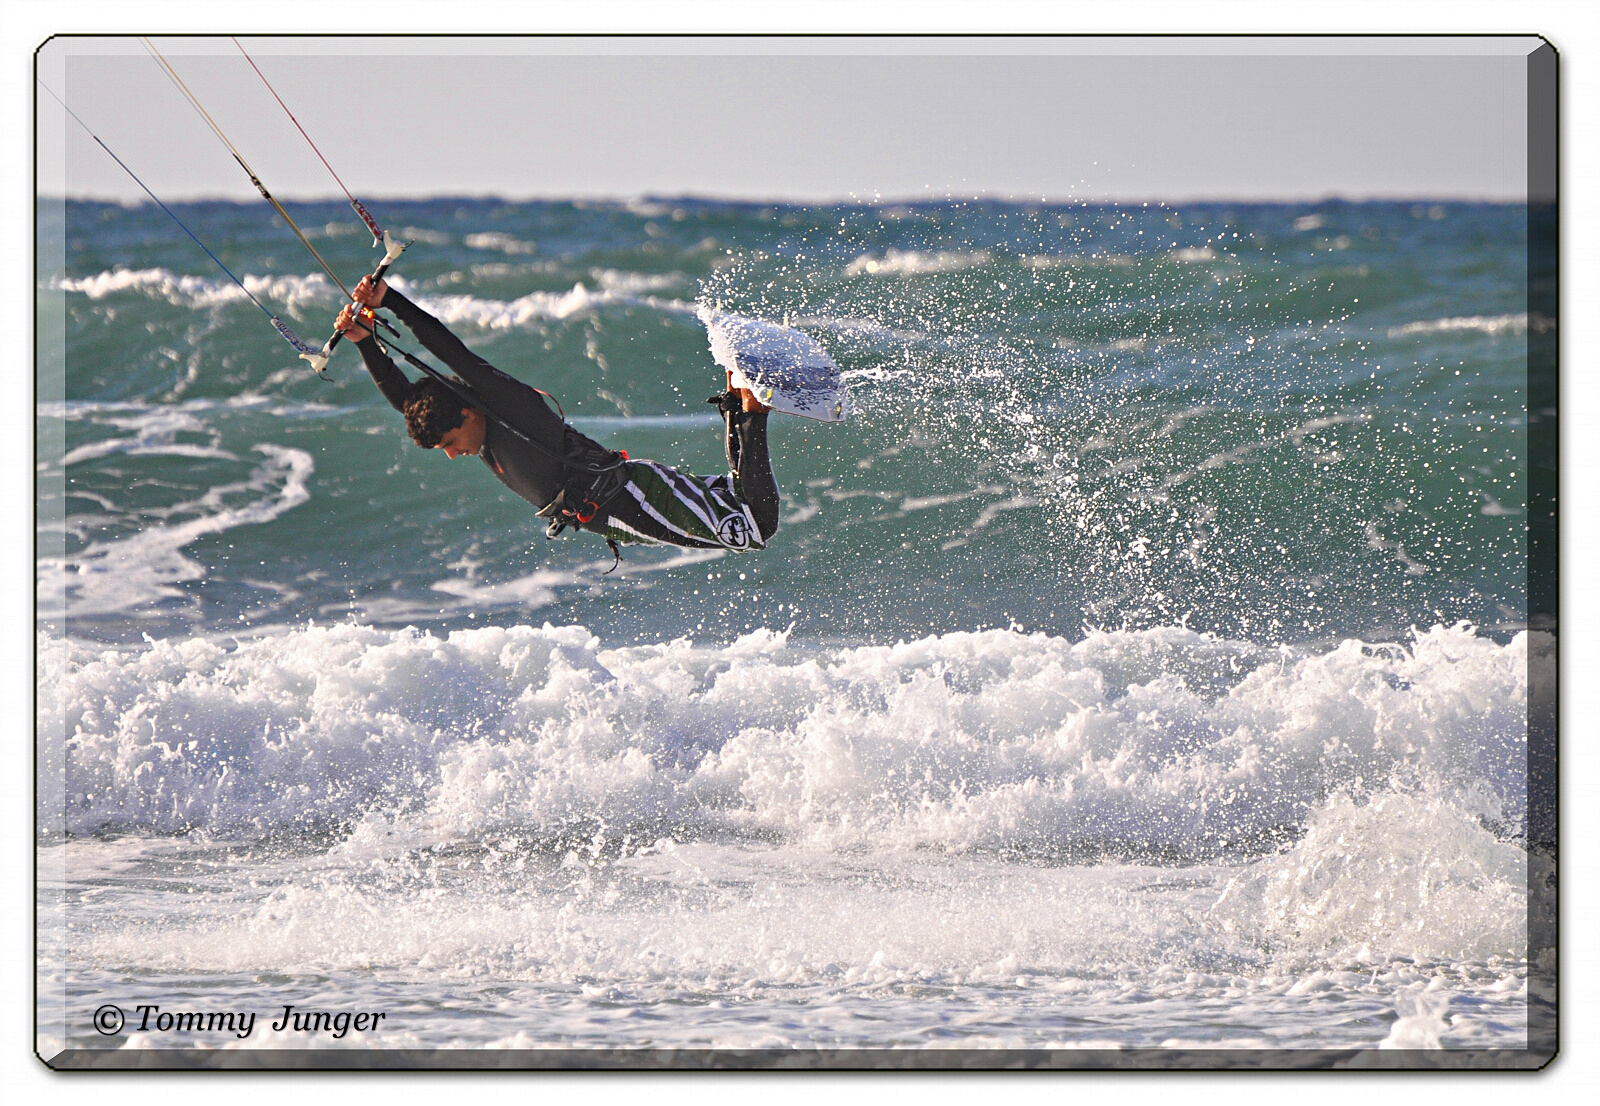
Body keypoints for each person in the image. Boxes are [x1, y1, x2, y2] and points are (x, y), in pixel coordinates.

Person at [334, 275, 779, 561]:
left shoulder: (509, 410)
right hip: (617, 507)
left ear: (466, 413)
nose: (453, 454)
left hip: (630, 498)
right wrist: (363, 341)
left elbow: (451, 350)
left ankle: (753, 407)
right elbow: (404, 401)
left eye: (450, 442)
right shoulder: (475, 430)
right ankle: (740, 395)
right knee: (738, 496)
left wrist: (391, 300)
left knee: (755, 527)